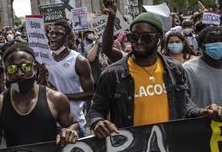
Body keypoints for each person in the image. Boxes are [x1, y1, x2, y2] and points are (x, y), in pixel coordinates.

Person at [88, 12, 222, 139]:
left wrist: (202, 112)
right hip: (133, 151)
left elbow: (184, 103)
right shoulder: (112, 74)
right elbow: (95, 110)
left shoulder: (174, 70)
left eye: (146, 37)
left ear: (159, 38)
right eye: (133, 37)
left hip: (171, 149)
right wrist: (97, 122)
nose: (138, 41)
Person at [0, 44, 79, 152]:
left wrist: (70, 131)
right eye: (12, 68)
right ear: (6, 72)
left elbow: (73, 124)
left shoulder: (56, 99)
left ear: (34, 68)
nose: (19, 73)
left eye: (25, 67)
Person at [46, 20, 94, 137]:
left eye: (58, 34)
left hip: (74, 125)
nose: (53, 36)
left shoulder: (79, 61)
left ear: (68, 38)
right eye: (51, 33)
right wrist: (41, 76)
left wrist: (61, 97)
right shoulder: (44, 59)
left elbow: (89, 94)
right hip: (51, 125)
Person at [183, 26, 222, 108]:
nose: (218, 44)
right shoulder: (188, 69)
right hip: (202, 120)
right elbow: (183, 103)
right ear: (201, 46)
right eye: (212, 41)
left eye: (220, 40)